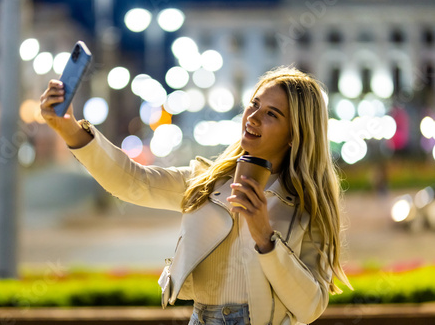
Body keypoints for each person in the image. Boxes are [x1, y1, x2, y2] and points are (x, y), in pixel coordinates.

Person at [40, 66, 352, 325]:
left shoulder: (307, 205)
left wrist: (265, 238)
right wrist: (68, 128)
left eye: (271, 114)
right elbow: (132, 181)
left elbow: (310, 306)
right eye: (254, 104)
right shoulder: (206, 181)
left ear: (295, 134)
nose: (253, 117)